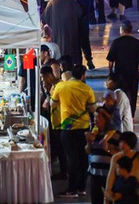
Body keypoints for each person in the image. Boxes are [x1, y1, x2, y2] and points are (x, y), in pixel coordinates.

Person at [51, 64, 96, 197]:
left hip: (67, 128)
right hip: (83, 128)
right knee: (83, 158)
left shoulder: (61, 86)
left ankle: (71, 189)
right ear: (83, 75)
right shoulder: (87, 89)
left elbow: (53, 103)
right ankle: (81, 187)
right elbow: (93, 109)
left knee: (71, 159)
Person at [106, 21, 139, 115]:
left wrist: (111, 74)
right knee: (133, 95)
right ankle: (132, 115)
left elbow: (110, 61)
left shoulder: (116, 42)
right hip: (133, 74)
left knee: (120, 94)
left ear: (122, 30)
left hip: (119, 75)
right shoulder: (136, 43)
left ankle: (121, 112)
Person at [107, 131, 139, 202]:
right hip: (120, 191)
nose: (122, 145)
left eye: (125, 142)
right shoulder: (115, 158)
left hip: (134, 191)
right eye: (121, 142)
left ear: (131, 143)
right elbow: (111, 175)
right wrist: (108, 191)